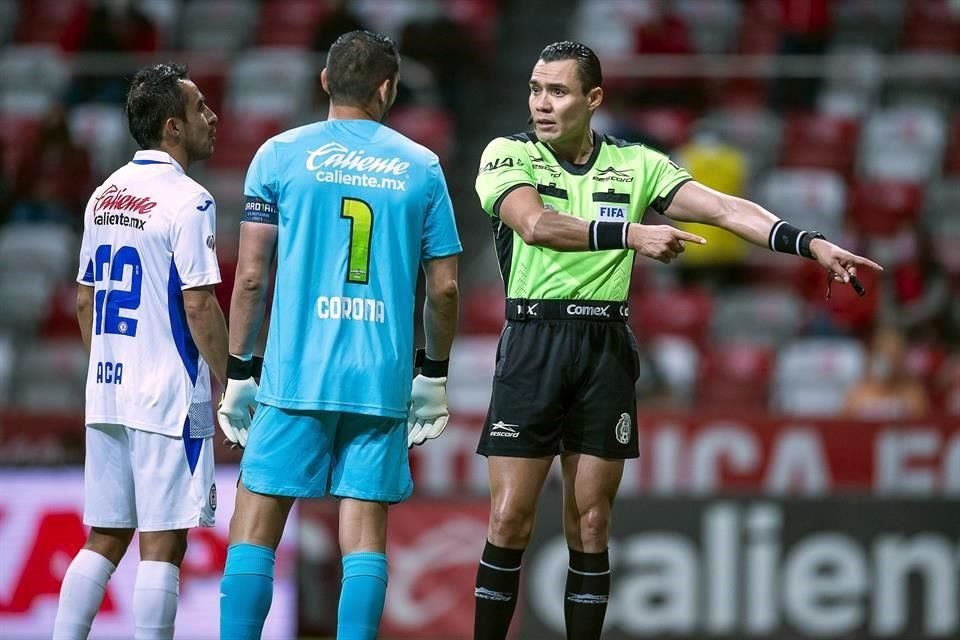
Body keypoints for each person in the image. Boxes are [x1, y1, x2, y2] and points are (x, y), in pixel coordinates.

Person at [472, 41, 882, 640]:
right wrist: (632, 234)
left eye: (557, 91)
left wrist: (808, 242)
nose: (541, 103)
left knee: (591, 523)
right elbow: (536, 226)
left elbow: (721, 208)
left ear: (593, 99)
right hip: (535, 338)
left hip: (603, 344)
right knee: (509, 519)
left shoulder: (637, 165)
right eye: (535, 89)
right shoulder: (509, 154)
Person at [217, 30, 461, 640]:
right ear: (389, 89)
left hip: (296, 370)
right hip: (379, 377)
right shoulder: (422, 166)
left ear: (325, 82)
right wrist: (433, 374)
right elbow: (446, 289)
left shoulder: (278, 154)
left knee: (257, 524)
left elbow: (250, 278)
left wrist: (239, 371)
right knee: (364, 536)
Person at [52, 63, 227, 640]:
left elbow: (84, 301)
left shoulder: (104, 195)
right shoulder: (189, 199)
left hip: (106, 392)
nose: (213, 117)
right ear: (173, 128)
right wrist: (231, 383)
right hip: (167, 395)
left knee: (105, 535)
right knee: (165, 541)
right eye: (201, 108)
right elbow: (199, 305)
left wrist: (110, 369)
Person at [843, 326, 930, 420]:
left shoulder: (913, 395)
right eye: (885, 356)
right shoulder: (858, 394)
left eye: (894, 357)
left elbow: (923, 424)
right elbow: (844, 425)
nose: (890, 363)